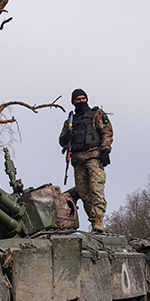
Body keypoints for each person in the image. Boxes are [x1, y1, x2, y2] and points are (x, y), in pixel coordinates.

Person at [58, 88, 113, 232]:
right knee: (84, 194)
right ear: (73, 102)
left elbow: (106, 132)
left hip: (94, 157)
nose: (81, 101)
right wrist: (65, 139)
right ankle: (94, 222)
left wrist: (105, 151)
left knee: (96, 189)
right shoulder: (70, 121)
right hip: (78, 161)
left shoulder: (96, 114)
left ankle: (99, 221)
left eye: (83, 98)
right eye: (78, 99)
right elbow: (62, 140)